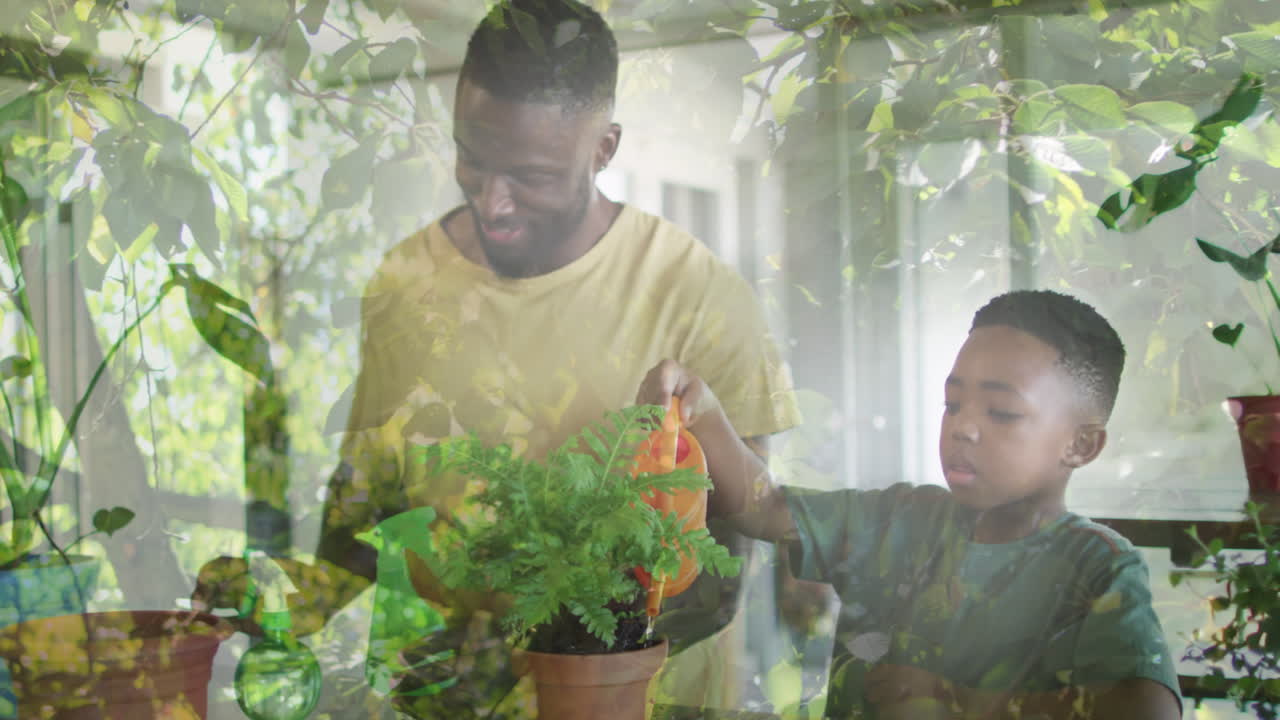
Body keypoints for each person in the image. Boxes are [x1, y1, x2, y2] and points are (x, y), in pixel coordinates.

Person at [192, 0, 801, 716]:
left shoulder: (699, 295)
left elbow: (722, 577)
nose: (493, 201)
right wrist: (288, 596)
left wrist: (520, 645)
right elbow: (366, 501)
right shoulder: (404, 283)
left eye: (530, 176)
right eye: (471, 160)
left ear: (604, 148)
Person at [635, 289, 1184, 719]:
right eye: (953, 403)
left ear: (1080, 445)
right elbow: (766, 508)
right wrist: (699, 407)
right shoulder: (900, 520)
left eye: (1001, 413)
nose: (963, 427)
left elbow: (1147, 710)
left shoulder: (1098, 566)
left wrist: (962, 704)